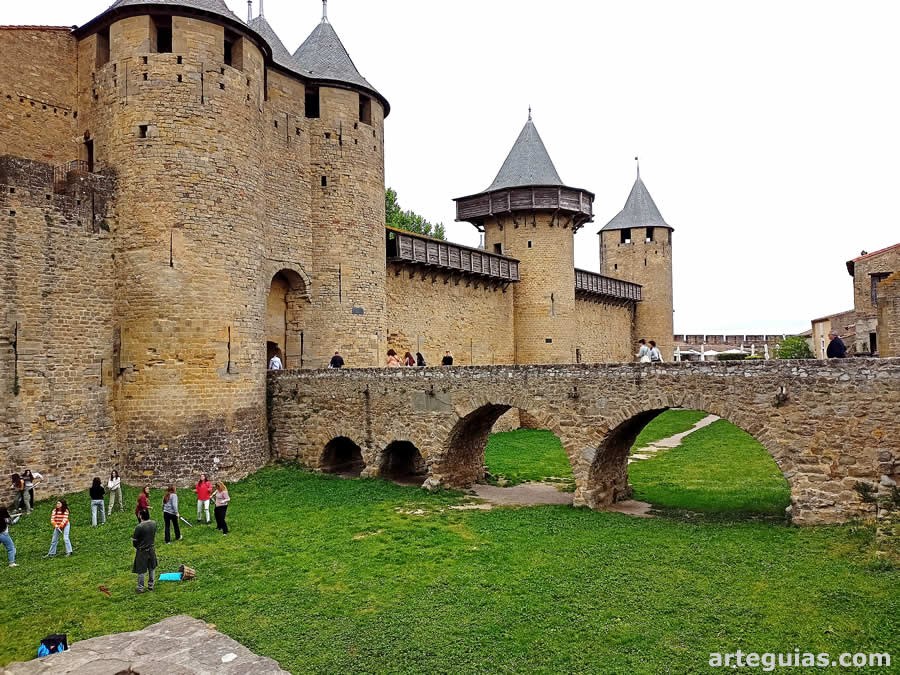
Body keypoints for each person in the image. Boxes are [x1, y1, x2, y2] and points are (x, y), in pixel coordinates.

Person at [132, 509, 158, 594]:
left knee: (141, 570)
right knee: (152, 568)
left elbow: (135, 541)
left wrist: (138, 547)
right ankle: (151, 585)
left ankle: (140, 588)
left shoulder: (139, 526)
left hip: (142, 551)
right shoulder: (154, 523)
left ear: (141, 516)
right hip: (151, 549)